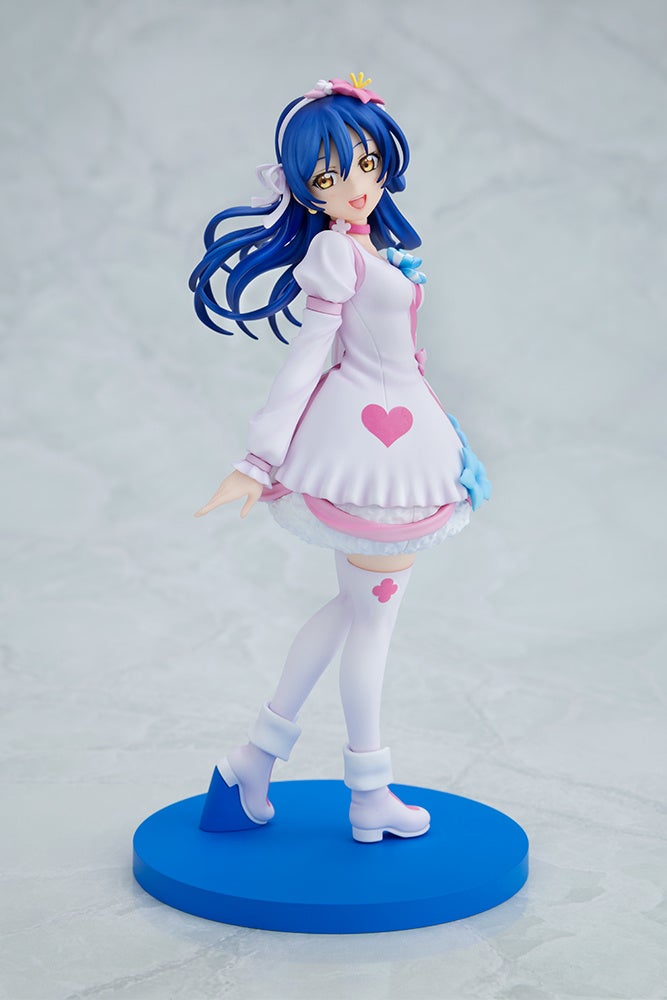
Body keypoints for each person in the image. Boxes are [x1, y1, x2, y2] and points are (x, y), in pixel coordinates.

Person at [189, 74, 491, 843]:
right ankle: (368, 792)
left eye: (365, 164)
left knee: (354, 610)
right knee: (373, 625)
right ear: (301, 188)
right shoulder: (333, 251)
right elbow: (306, 355)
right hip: (372, 458)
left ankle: (251, 763)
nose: (354, 185)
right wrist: (257, 459)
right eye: (329, 176)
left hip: (396, 434)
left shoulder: (366, 245)